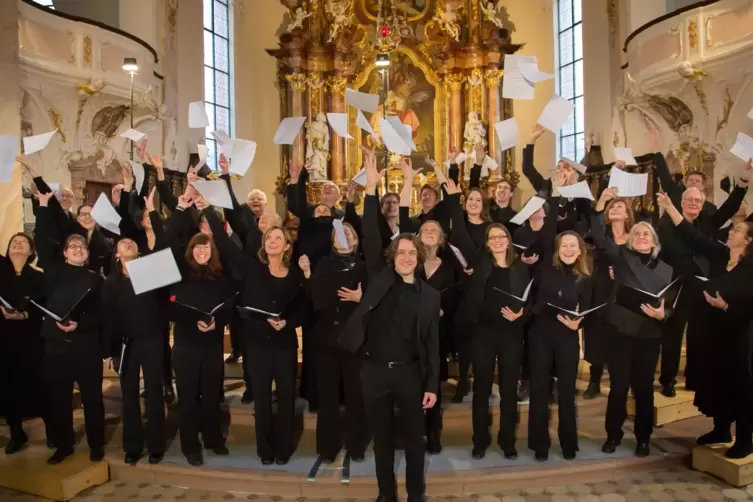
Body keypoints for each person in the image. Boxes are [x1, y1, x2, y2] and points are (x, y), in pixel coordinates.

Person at [339, 147, 440, 502]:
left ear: (420, 257)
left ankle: (415, 495)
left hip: (412, 375)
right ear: (392, 257)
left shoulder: (430, 296)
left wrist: (431, 384)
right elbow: (370, 233)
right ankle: (386, 495)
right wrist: (370, 190)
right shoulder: (381, 278)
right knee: (381, 439)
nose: (407, 256)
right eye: (401, 252)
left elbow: (432, 345)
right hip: (376, 372)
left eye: (413, 253)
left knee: (415, 441)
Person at [205, 202, 305, 465]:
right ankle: (265, 449)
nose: (273, 241)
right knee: (261, 398)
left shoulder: (295, 274)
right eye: (269, 237)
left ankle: (283, 447)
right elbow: (225, 245)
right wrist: (206, 210)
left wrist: (289, 322)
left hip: (284, 343)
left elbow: (304, 310)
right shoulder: (252, 268)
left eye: (278, 238)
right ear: (264, 244)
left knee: (285, 397)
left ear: (286, 246)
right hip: (257, 344)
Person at [659, 192, 753, 458]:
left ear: (747, 241)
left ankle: (745, 439)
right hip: (715, 332)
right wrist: (669, 206)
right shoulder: (722, 255)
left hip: (741, 336)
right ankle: (721, 429)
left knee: (741, 386)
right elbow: (693, 237)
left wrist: (726, 306)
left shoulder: (750, 267)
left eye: (736, 230)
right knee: (718, 380)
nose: (730, 232)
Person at [446, 178, 530, 460]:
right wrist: (454, 198)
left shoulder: (520, 268)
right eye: (492, 237)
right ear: (487, 242)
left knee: (508, 391)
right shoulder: (479, 262)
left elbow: (531, 301)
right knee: (481, 390)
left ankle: (507, 440)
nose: (496, 241)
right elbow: (457, 233)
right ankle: (480, 439)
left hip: (511, 335)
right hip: (483, 333)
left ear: (508, 240)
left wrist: (522, 314)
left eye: (501, 237)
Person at [655, 154, 749, 396]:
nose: (694, 203)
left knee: (698, 334)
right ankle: (667, 380)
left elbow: (730, 207)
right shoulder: (666, 226)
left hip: (701, 287)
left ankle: (693, 378)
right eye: (690, 200)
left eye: (698, 200)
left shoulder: (708, 223)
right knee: (673, 336)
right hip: (675, 286)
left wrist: (743, 183)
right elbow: (657, 255)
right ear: (681, 201)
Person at [592, 188, 674, 457]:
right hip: (621, 331)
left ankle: (643, 438)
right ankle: (613, 435)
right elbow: (601, 240)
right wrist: (600, 205)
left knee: (644, 389)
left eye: (646, 235)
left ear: (654, 242)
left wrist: (664, 315)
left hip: (649, 334)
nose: (641, 237)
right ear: (630, 240)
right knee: (618, 387)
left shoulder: (666, 269)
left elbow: (671, 303)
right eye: (637, 234)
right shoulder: (621, 257)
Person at [34, 191, 107, 465]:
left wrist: (81, 323)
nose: (78, 248)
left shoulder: (96, 280)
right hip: (55, 345)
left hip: (86, 345)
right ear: (64, 253)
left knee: (93, 399)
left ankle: (96, 444)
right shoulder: (53, 272)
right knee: (59, 398)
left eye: (82, 247)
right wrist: (42, 205)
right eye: (73, 246)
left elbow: (102, 314)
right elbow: (41, 240)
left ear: (87, 254)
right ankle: (63, 445)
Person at [165, 195, 234, 466]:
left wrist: (219, 322)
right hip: (185, 345)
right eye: (198, 248)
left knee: (210, 396)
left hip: (211, 345)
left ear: (211, 252)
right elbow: (169, 308)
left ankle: (214, 439)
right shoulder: (180, 275)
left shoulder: (220, 278)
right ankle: (190, 445)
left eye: (206, 249)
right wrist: (181, 208)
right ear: (191, 251)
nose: (202, 252)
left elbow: (229, 307)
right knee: (189, 397)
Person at [101, 189, 168, 466]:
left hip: (152, 340)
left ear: (138, 250)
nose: (127, 243)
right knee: (128, 395)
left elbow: (164, 249)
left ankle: (155, 446)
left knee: (154, 393)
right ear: (116, 254)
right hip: (126, 344)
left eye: (131, 242)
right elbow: (107, 317)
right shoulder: (111, 282)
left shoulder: (150, 271)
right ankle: (132, 446)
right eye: (122, 243)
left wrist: (150, 212)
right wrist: (108, 350)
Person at [399, 160, 457, 454]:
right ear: (418, 237)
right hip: (409, 332)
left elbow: (456, 297)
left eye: (434, 229)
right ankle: (410, 434)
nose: (429, 231)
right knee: (409, 386)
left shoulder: (449, 266)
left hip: (437, 332)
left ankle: (433, 435)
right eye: (425, 229)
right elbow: (403, 215)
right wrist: (408, 179)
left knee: (432, 385)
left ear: (441, 237)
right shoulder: (410, 261)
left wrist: (444, 311)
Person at [298, 221, 369, 463]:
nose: (343, 237)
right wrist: (308, 276)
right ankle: (328, 447)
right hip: (326, 339)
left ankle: (356, 445)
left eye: (347, 233)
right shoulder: (324, 265)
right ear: (333, 241)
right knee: (327, 398)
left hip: (354, 341)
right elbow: (312, 300)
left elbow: (375, 303)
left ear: (356, 240)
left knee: (355, 396)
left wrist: (361, 297)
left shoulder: (364, 267)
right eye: (338, 234)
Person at [528, 220, 592, 462]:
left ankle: (568, 443)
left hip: (567, 337)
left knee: (566, 391)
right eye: (564, 245)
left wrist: (580, 323)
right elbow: (532, 300)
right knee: (540, 389)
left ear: (579, 250)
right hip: (541, 335)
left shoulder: (584, 277)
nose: (568, 249)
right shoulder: (543, 269)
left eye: (572, 245)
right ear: (557, 249)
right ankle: (539, 443)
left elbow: (587, 310)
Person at [0, 233, 47, 455]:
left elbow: (43, 306)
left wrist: (25, 315)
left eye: (23, 243)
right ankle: (16, 432)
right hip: (3, 335)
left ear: (31, 251)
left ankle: (53, 430)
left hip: (30, 335)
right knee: (7, 384)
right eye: (14, 243)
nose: (18, 245)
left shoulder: (38, 276)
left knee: (37, 380)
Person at [583, 196, 634, 399]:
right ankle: (594, 381)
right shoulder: (601, 234)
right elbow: (597, 234)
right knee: (596, 333)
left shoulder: (633, 237)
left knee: (622, 334)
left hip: (624, 290)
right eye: (612, 207)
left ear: (627, 214)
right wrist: (601, 201)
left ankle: (623, 380)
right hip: (601, 288)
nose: (615, 209)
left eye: (620, 206)